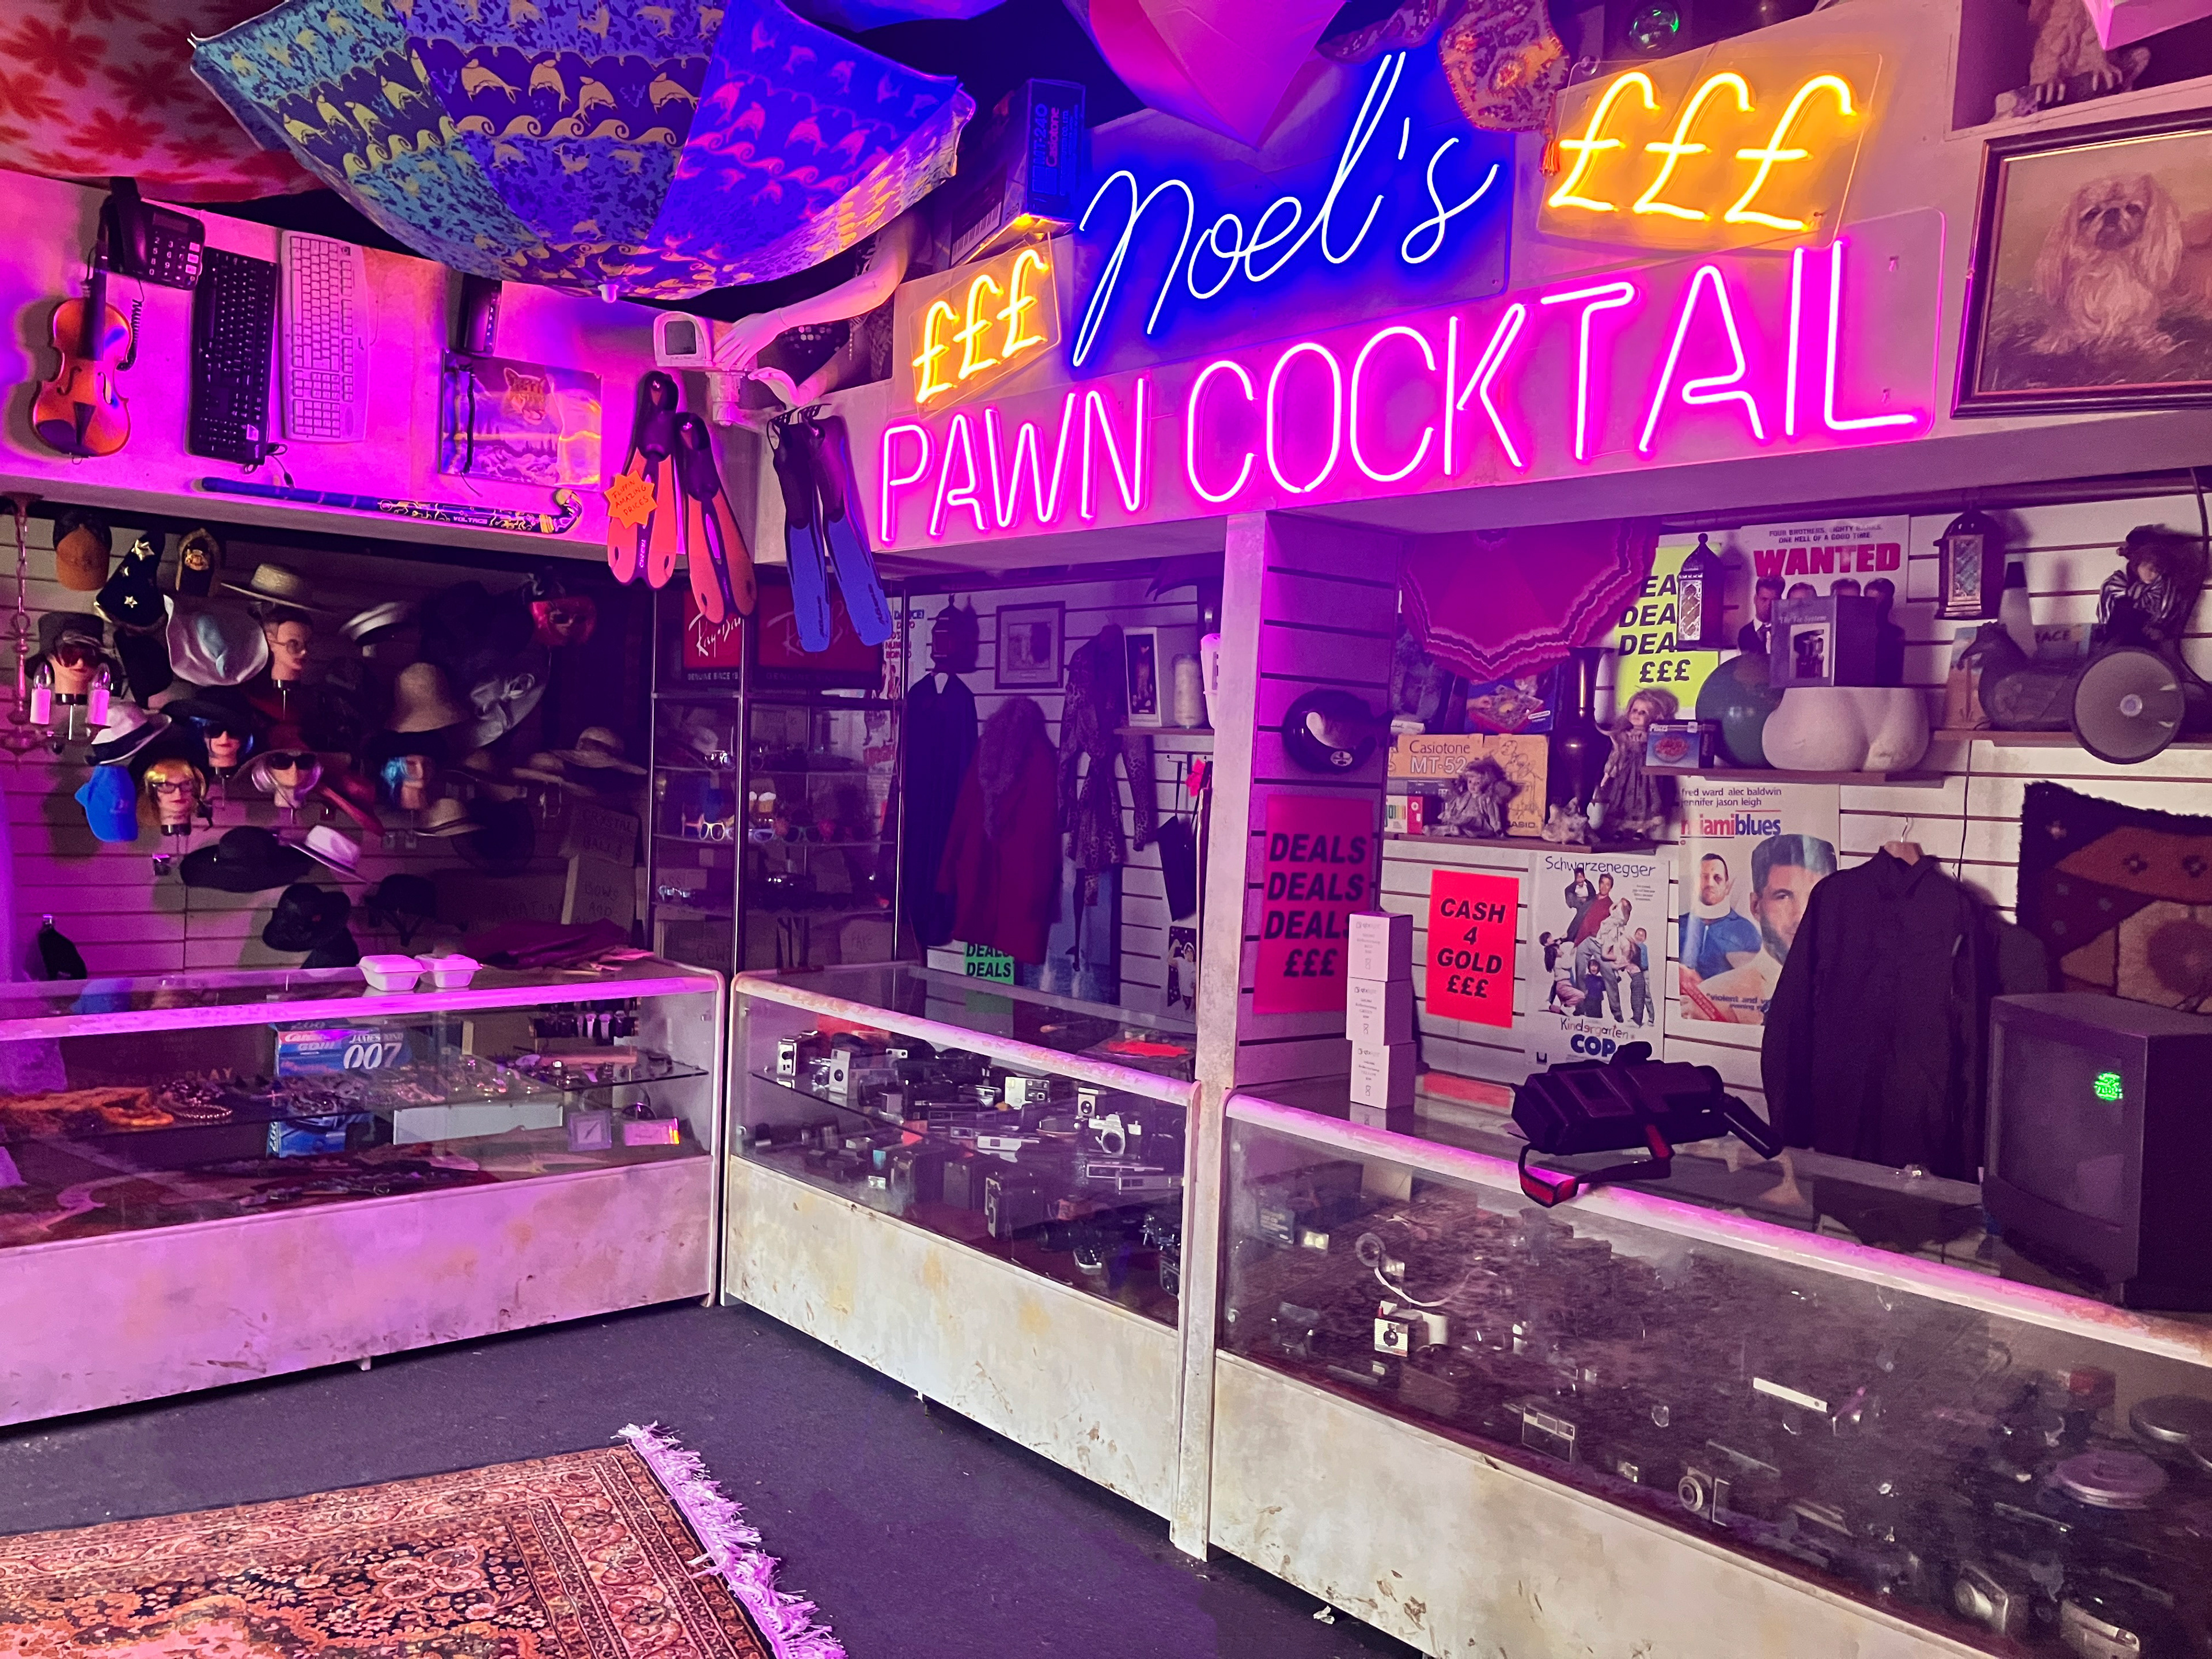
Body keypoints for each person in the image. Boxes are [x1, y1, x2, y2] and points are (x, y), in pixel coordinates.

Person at [1692, 834, 1837, 1024]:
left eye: (1817, 897)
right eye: (1783, 896)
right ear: (1756, 906)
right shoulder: (1710, 1000)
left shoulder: (1851, 987)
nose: (1801, 916)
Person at [1679, 851, 1760, 980]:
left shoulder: (1746, 931)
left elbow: (1756, 980)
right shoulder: (1678, 925)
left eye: (1717, 878)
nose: (1710, 884)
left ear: (1727, 887)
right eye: (1704, 877)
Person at [1596, 899, 1634, 1021]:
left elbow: (1611, 909)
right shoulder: (1622, 917)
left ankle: (1619, 959)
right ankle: (1617, 972)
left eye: (1620, 905)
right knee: (1609, 955)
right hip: (1612, 934)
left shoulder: (1618, 916)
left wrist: (1617, 903)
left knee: (1605, 954)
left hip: (1611, 935)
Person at [1737, 574, 1783, 656]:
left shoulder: (1785, 631)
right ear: (1755, 599)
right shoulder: (1744, 634)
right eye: (1764, 599)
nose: (1768, 606)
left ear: (1780, 602)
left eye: (1774, 601)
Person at [1569, 872, 1612, 944]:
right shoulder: (1590, 899)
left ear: (1611, 888)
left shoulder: (1610, 907)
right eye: (1602, 883)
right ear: (1599, 884)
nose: (1604, 887)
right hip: (1577, 939)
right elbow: (1579, 918)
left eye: (1607, 885)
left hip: (1593, 943)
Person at [1628, 927, 1652, 1025]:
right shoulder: (1632, 946)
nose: (1639, 937)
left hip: (1643, 971)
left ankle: (1651, 1018)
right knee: (1637, 994)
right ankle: (1637, 1017)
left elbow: (1643, 963)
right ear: (1635, 935)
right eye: (1638, 934)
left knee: (1646, 994)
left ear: (1645, 939)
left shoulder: (1642, 947)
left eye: (1642, 936)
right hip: (1637, 972)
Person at [1562, 868, 1596, 934]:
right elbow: (1567, 890)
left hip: (1587, 903)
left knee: (1582, 917)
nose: (1580, 880)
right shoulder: (1574, 886)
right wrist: (1579, 899)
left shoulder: (1589, 885)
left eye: (1581, 877)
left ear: (1584, 878)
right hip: (1578, 903)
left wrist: (1586, 899)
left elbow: (1593, 895)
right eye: (1578, 878)